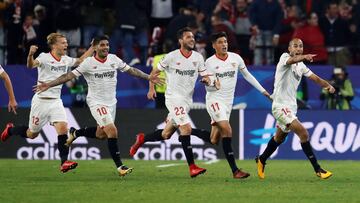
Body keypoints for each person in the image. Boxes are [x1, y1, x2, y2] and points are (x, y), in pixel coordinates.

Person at [34, 35, 163, 177]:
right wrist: (49, 84)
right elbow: (68, 76)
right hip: (96, 102)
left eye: (107, 44)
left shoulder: (114, 59)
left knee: (101, 134)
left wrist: (148, 77)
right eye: (102, 45)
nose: (106, 47)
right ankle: (120, 166)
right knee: (112, 131)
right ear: (94, 47)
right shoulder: (88, 63)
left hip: (111, 103)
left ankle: (75, 133)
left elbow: (131, 70)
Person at [129, 27, 216, 178]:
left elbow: (205, 75)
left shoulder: (198, 57)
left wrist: (207, 80)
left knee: (166, 134)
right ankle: (192, 167)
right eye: (188, 37)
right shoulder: (171, 57)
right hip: (173, 98)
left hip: (187, 100)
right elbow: (154, 72)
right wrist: (151, 88)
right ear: (181, 41)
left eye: (193, 37)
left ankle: (142, 139)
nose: (192, 39)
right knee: (186, 129)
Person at [1, 33, 94, 173]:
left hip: (56, 101)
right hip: (41, 101)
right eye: (63, 43)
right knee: (32, 134)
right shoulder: (44, 57)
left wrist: (92, 47)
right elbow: (30, 65)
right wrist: (30, 55)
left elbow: (80, 60)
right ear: (54, 45)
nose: (66, 45)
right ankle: (10, 130)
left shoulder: (65, 59)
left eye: (66, 43)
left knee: (63, 128)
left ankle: (64, 162)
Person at [255, 38, 335, 180]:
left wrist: (327, 85)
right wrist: (303, 57)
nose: (298, 48)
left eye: (301, 46)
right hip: (280, 106)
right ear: (289, 48)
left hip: (291, 107)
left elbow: (315, 78)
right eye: (296, 46)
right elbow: (293, 60)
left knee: (279, 138)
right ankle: (318, 169)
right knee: (303, 133)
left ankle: (261, 159)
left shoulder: (301, 66)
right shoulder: (284, 58)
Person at [205, 32, 271, 179]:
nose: (224, 44)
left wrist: (263, 91)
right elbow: (208, 87)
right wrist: (211, 84)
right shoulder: (209, 63)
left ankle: (187, 131)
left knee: (214, 139)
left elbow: (247, 75)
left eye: (225, 41)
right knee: (227, 130)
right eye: (220, 42)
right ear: (214, 45)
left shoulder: (235, 58)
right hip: (214, 100)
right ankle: (235, 171)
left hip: (228, 102)